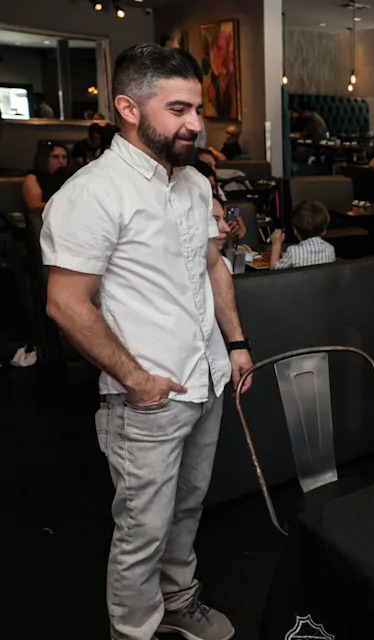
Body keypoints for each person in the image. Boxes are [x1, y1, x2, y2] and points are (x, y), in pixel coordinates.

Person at [41, 43, 253, 640]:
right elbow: (64, 303)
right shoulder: (92, 193)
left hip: (206, 377)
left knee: (187, 511)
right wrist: (137, 381)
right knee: (143, 529)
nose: (195, 123)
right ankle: (134, 630)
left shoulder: (191, 182)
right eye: (179, 109)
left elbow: (213, 265)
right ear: (128, 108)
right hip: (148, 398)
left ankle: (178, 603)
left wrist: (235, 343)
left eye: (198, 109)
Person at [269, 200, 336, 269]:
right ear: (324, 231)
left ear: (295, 231)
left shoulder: (293, 252)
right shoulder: (330, 249)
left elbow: (274, 271)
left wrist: (276, 245)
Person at [23, 143, 70, 211]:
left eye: (64, 157)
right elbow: (34, 205)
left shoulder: (71, 177)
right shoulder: (33, 178)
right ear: (44, 159)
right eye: (55, 157)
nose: (61, 161)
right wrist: (63, 204)